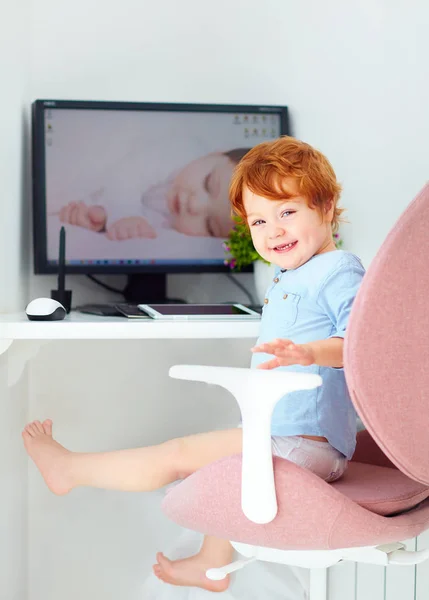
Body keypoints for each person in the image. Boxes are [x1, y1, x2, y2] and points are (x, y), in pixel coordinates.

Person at [22, 136, 365, 593]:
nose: (273, 231)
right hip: (290, 437)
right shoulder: (293, 274)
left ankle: (70, 471)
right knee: (223, 461)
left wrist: (312, 353)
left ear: (325, 206)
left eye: (287, 212)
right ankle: (210, 561)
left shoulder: (339, 269)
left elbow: (360, 345)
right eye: (259, 221)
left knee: (180, 454)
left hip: (307, 445)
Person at [56, 149, 250, 240]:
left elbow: (139, 226)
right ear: (215, 153)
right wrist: (125, 215)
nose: (195, 206)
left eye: (209, 226)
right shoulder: (180, 149)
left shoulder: (171, 228)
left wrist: (106, 223)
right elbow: (128, 173)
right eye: (208, 184)